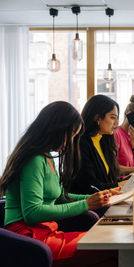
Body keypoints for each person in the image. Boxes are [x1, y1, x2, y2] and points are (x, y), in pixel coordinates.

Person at [0, 101, 119, 264]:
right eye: (71, 135)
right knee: (112, 244)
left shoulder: (45, 156)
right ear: (57, 130)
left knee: (110, 240)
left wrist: (96, 197)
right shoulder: (33, 160)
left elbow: (62, 197)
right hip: (29, 237)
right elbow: (32, 213)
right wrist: (87, 204)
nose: (71, 141)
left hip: (45, 231)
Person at [70, 95, 134, 197]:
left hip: (107, 198)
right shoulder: (81, 144)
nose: (116, 123)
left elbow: (108, 178)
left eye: (116, 118)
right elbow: (91, 187)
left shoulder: (104, 140)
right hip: (91, 204)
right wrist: (122, 184)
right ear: (97, 117)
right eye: (112, 118)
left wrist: (132, 179)